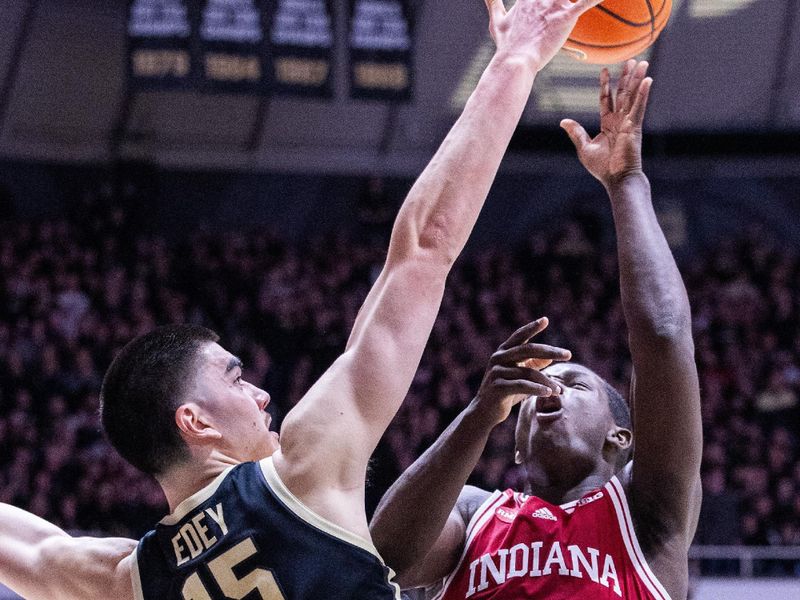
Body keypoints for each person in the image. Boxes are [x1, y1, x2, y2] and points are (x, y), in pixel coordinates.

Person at [0, 1, 606, 598]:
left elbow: (31, 552)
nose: (262, 393)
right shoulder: (303, 468)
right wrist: (516, 61)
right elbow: (424, 248)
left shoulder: (129, 581)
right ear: (195, 422)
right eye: (234, 381)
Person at [370, 61, 702, 600]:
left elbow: (663, 337)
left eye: (575, 383)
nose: (549, 386)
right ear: (517, 448)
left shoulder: (649, 514)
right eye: (533, 393)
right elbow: (382, 563)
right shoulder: (474, 513)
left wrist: (626, 183)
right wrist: (480, 412)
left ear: (621, 438)